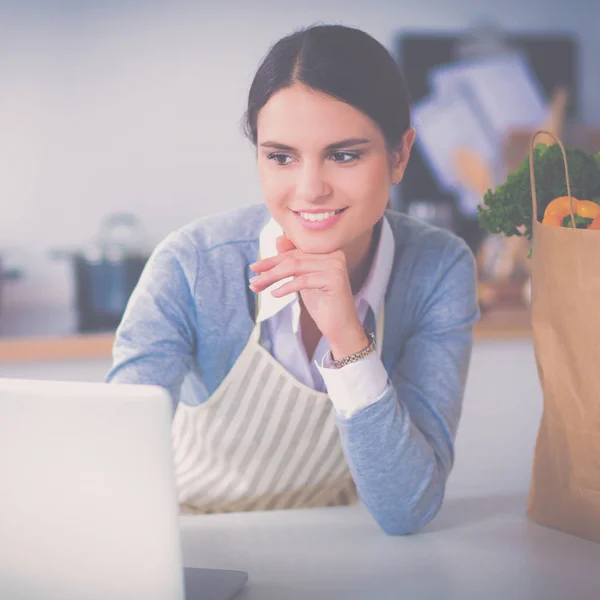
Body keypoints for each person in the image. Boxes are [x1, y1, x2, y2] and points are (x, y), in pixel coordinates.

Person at [106, 23, 479, 535]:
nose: (310, 190)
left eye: (344, 155)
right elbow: (112, 457)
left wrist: (348, 338)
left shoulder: (439, 268)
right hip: (195, 539)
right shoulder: (191, 265)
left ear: (399, 155)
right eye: (281, 156)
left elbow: (406, 509)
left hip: (348, 544)